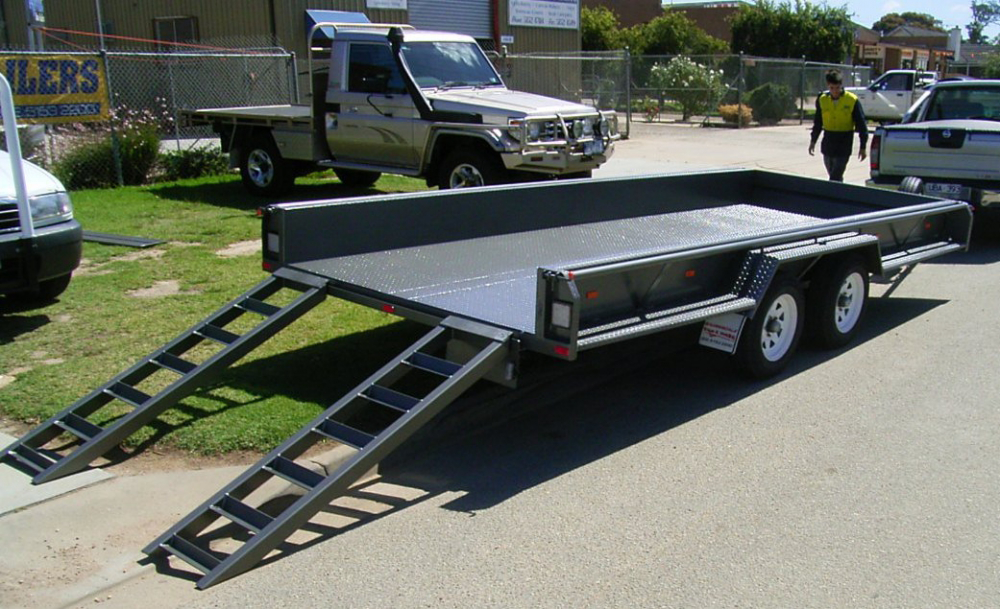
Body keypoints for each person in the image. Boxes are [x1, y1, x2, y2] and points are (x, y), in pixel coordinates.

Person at [809, 70, 868, 182]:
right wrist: (813, 141)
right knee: (833, 175)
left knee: (835, 176)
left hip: (844, 143)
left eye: (837, 88)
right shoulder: (822, 100)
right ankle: (839, 194)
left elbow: (861, 124)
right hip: (828, 143)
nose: (835, 91)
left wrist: (863, 146)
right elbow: (818, 123)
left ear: (841, 85)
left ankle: (831, 195)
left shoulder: (851, 100)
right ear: (828, 86)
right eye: (832, 88)